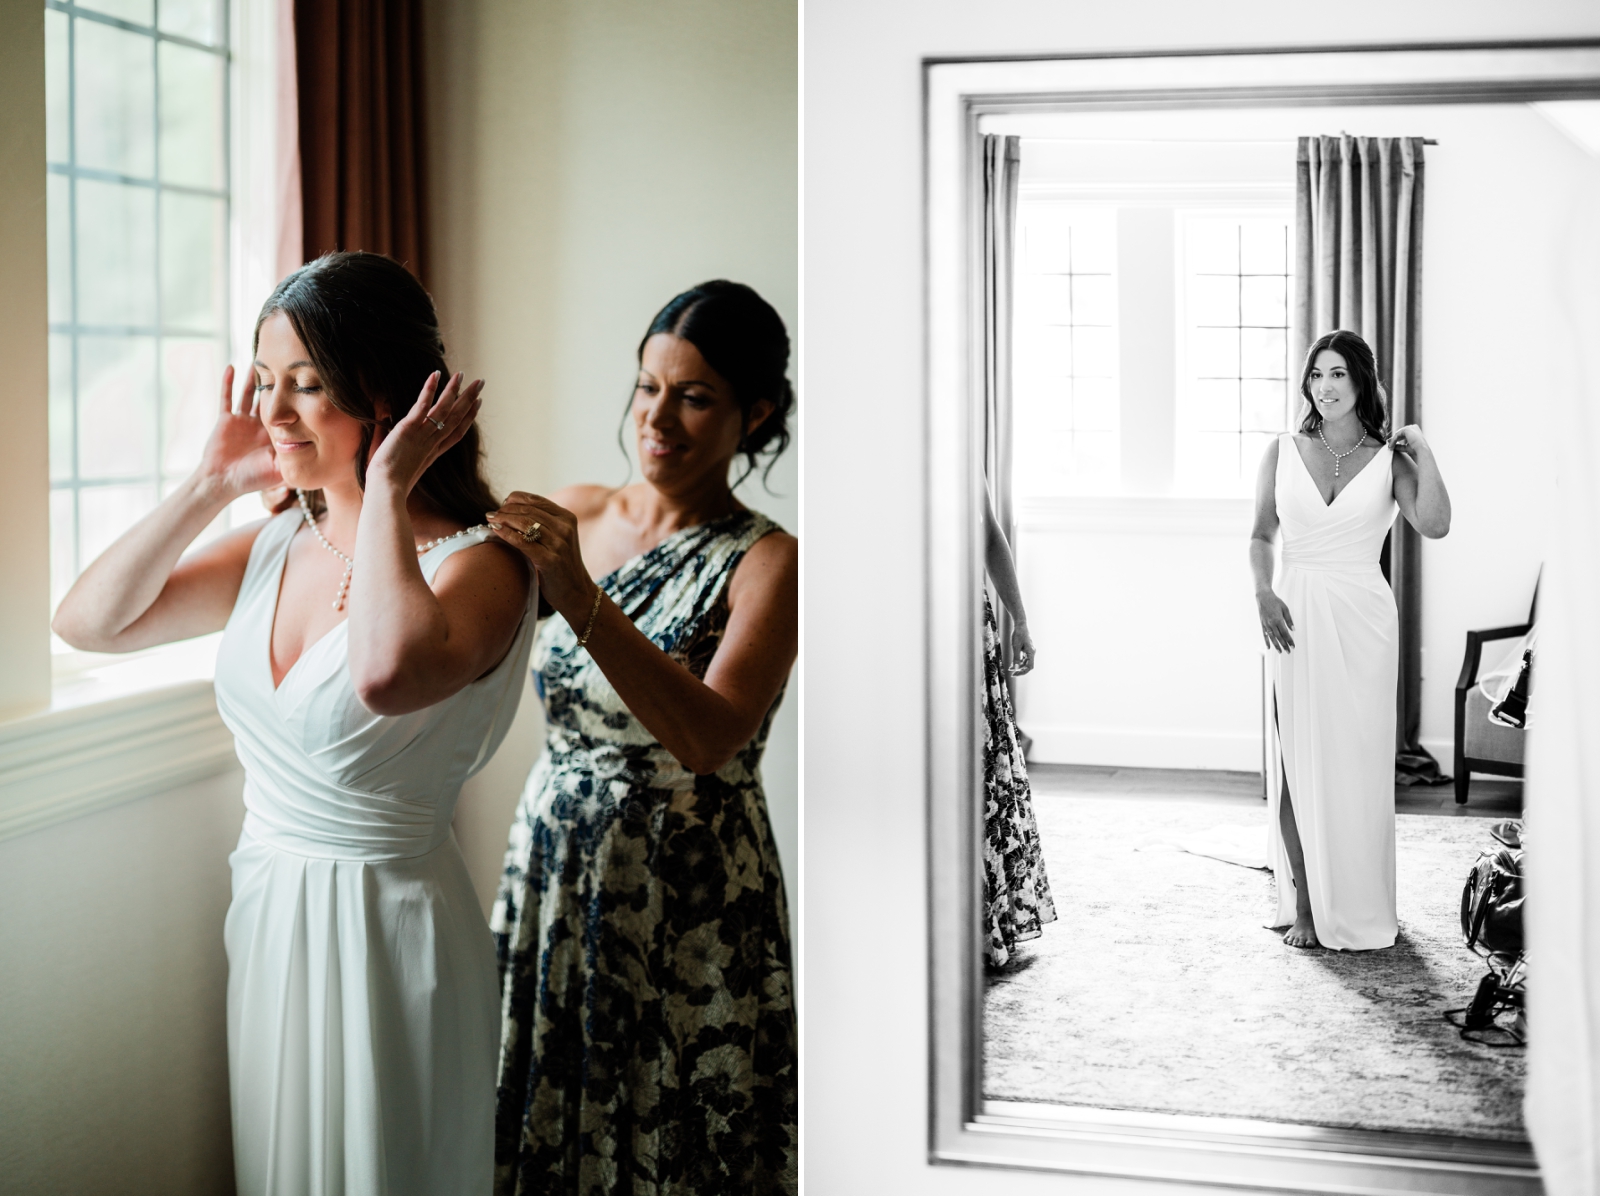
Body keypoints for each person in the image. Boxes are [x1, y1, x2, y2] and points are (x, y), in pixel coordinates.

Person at [52, 251, 535, 1194]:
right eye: (264, 379)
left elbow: (388, 674)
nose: (272, 412)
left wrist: (390, 491)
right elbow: (88, 623)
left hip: (393, 934)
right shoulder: (278, 539)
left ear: (386, 394)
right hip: (271, 916)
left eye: (307, 385)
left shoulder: (483, 567)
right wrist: (207, 486)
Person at [486, 280, 799, 1195]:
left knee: (682, 1126)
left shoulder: (768, 561)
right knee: (552, 1102)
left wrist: (581, 596)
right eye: (647, 387)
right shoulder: (572, 512)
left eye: (695, 397)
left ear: (757, 413)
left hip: (689, 890)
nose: (658, 418)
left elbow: (710, 737)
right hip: (557, 860)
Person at [1250, 328, 1451, 951]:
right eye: (1316, 374)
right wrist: (1263, 591)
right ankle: (1307, 907)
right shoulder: (1282, 450)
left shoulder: (1391, 460)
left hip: (1364, 617)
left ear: (1361, 381)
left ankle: (1363, 900)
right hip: (1294, 613)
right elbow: (1260, 534)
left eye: (1338, 374)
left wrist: (1422, 447)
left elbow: (1437, 525)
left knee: (1359, 768)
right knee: (1297, 765)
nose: (1325, 386)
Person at [981, 489, 1055, 968]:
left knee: (981, 766)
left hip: (965, 619)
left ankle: (980, 918)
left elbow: (989, 533)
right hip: (893, 618)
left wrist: (1020, 620)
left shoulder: (958, 442)